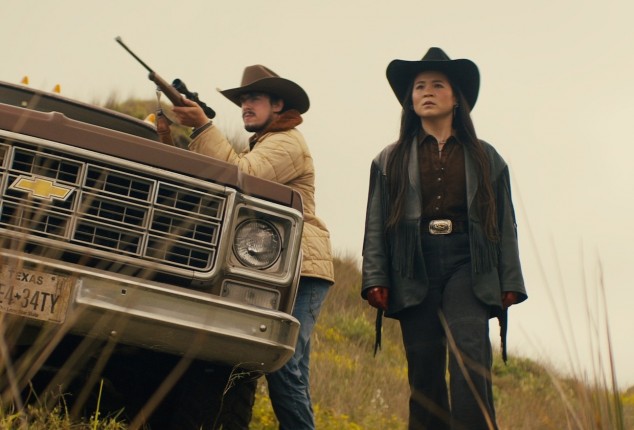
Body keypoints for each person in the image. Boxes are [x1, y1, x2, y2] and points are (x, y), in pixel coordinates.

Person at [361, 47, 528, 430]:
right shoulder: (388, 159)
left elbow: (505, 223)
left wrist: (510, 280)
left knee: (470, 356)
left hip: (468, 263)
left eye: (437, 85)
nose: (427, 92)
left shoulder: (487, 157)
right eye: (419, 86)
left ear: (456, 99)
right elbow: (375, 223)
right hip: (412, 264)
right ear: (410, 99)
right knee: (424, 368)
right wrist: (375, 277)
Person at [172, 64, 335, 430]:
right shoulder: (267, 141)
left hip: (302, 267)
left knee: (283, 364)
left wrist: (203, 126)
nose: (246, 105)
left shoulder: (287, 141)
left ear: (278, 105)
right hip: (282, 267)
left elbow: (242, 177)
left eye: (255, 98)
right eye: (243, 99)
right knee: (289, 369)